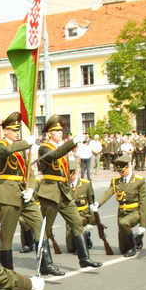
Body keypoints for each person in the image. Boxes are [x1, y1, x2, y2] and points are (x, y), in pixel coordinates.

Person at [36, 115, 100, 273]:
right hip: (50, 191)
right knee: (45, 228)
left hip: (64, 191)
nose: (59, 132)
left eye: (60, 130)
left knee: (77, 222)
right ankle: (46, 264)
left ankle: (84, 258)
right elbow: (54, 155)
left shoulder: (60, 147)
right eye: (56, 130)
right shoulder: (44, 147)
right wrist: (72, 143)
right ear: (49, 133)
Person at [0, 111, 42, 270]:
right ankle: (7, 270)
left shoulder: (20, 148)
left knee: (39, 222)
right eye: (13, 130)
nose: (16, 132)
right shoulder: (0, 144)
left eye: (18, 130)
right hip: (8, 193)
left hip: (24, 192)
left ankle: (45, 263)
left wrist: (31, 188)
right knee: (7, 234)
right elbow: (5, 152)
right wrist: (26, 142)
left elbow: (29, 172)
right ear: (5, 131)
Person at [90, 154, 146, 257]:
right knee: (122, 249)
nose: (120, 173)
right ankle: (136, 240)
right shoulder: (115, 181)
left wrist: (143, 225)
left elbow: (144, 203)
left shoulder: (139, 181)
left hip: (135, 212)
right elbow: (108, 193)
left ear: (128, 167)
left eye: (122, 171)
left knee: (124, 223)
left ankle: (132, 248)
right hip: (121, 213)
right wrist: (97, 203)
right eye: (119, 171)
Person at [65, 161, 97, 253]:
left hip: (83, 215)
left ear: (75, 173)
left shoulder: (86, 184)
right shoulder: (63, 184)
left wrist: (91, 222)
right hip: (69, 216)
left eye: (70, 175)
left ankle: (83, 240)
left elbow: (92, 204)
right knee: (70, 249)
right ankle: (85, 237)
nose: (68, 178)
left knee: (77, 223)